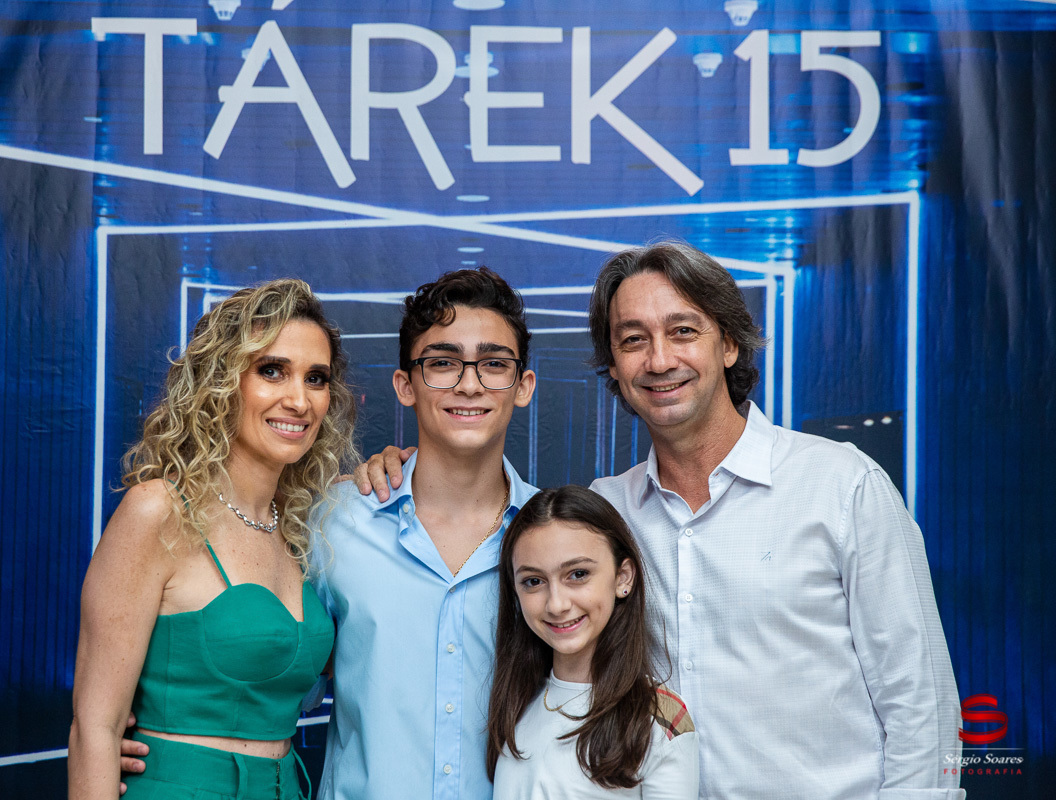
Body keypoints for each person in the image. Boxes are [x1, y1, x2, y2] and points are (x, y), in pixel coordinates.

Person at [358, 240, 965, 800]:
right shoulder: (605, 514)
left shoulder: (840, 486)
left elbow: (922, 702)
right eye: (633, 340)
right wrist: (398, 470)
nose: (659, 359)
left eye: (683, 331)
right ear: (613, 368)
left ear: (728, 344)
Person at [68, 280, 357, 800]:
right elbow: (96, 729)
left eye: (316, 378)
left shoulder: (301, 528)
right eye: (272, 371)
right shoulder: (158, 511)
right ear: (222, 381)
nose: (299, 400)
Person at [313, 267, 541, 800]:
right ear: (405, 386)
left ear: (523, 387)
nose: (469, 384)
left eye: (494, 364)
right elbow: (275, 680)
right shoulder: (335, 524)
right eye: (442, 363)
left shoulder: (558, 539)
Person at [488, 485, 698, 800]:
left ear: (623, 577)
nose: (556, 604)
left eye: (578, 574)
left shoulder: (657, 717)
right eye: (534, 581)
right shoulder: (516, 701)